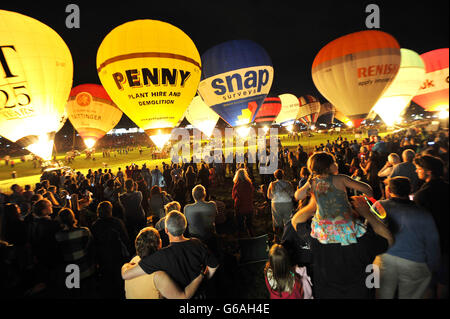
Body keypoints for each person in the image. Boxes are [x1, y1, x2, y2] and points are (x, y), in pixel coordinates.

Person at [291, 194, 394, 298]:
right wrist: (368, 214)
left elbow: (296, 221)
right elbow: (389, 240)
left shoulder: (318, 238)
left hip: (327, 294)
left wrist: (313, 204)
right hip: (360, 294)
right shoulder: (363, 238)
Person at [121, 211, 219, 299]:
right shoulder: (197, 243)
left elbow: (126, 275)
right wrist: (203, 280)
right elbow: (214, 265)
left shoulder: (161, 256)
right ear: (185, 227)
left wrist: (126, 266)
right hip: (201, 294)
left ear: (166, 230)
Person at [376, 177, 440, 299]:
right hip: (414, 262)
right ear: (410, 190)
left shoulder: (379, 206)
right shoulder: (423, 213)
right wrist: (433, 267)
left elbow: (370, 229)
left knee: (382, 295)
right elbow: (432, 243)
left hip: (384, 258)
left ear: (388, 190)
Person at [295, 152, 373, 246]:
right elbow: (367, 189)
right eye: (334, 163)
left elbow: (298, 196)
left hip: (323, 228)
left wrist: (308, 183)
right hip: (345, 225)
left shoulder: (313, 182)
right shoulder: (341, 179)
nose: (336, 165)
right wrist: (364, 198)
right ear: (328, 167)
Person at [124, 227, 205, 299]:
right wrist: (200, 276)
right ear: (160, 243)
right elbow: (183, 297)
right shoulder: (158, 275)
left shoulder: (133, 261)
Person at [413, 154, 449, 298]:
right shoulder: (446, 187)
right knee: (444, 281)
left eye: (418, 168)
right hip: (447, 242)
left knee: (428, 283)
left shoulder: (423, 195)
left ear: (428, 172)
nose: (416, 171)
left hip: (431, 244)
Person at [91, 201, 131, 298]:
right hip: (117, 255)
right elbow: (125, 239)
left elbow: (93, 243)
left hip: (103, 258)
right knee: (119, 282)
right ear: (110, 211)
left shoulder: (95, 225)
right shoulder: (117, 222)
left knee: (107, 283)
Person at [55, 208, 96, 295]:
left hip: (70, 271)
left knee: (75, 294)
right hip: (86, 267)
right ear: (72, 217)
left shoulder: (58, 236)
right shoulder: (84, 231)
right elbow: (91, 248)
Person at [267, 169, 294, 240]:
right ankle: (288, 237)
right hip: (287, 203)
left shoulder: (272, 184)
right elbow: (292, 194)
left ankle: (277, 238)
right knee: (288, 221)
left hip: (276, 204)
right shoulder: (288, 184)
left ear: (275, 176)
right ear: (283, 175)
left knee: (276, 222)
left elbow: (269, 196)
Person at [232, 168, 255, 237]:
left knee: (240, 223)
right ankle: (251, 236)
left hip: (241, 207)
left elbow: (237, 197)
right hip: (249, 206)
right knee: (249, 224)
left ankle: (242, 237)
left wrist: (236, 207)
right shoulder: (249, 183)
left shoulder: (237, 185)